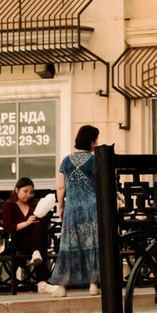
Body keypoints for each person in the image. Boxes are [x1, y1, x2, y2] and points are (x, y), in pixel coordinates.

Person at [35, 124, 101, 298]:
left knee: (69, 245)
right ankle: (93, 285)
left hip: (73, 207)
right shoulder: (95, 160)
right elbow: (98, 184)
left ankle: (62, 287)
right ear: (90, 141)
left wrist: (61, 207)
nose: (96, 143)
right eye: (95, 140)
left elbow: (61, 187)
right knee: (92, 243)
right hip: (91, 206)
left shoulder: (65, 161)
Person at [0, 177, 51, 283]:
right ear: (17, 190)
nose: (28, 195)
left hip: (34, 241)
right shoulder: (9, 206)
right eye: (25, 191)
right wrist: (27, 223)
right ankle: (43, 281)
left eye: (31, 193)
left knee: (40, 225)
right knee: (40, 247)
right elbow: (8, 226)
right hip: (18, 242)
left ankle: (36, 253)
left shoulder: (33, 206)